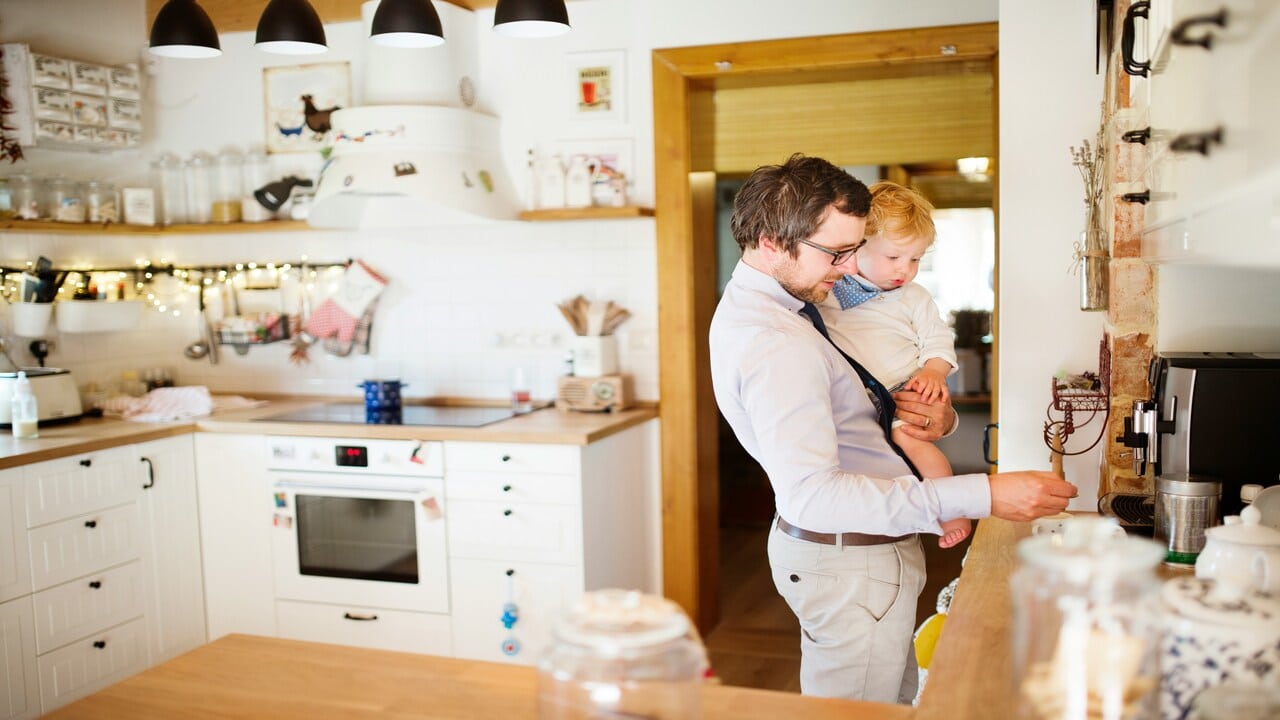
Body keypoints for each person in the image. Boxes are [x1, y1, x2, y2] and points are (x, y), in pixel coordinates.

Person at [709, 154, 1077, 704]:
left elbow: (859, 410)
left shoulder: (797, 306)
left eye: (854, 248)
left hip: (861, 553)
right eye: (836, 252)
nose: (847, 267)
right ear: (770, 241)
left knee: (892, 702)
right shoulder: (775, 341)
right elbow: (812, 496)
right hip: (848, 560)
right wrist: (984, 494)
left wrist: (937, 418)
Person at [821, 181, 969, 549]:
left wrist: (933, 371)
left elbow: (938, 339)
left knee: (913, 444)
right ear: (857, 246)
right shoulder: (826, 291)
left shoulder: (914, 297)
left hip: (905, 389)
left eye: (916, 259)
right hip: (854, 398)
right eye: (894, 257)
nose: (906, 269)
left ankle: (953, 509)